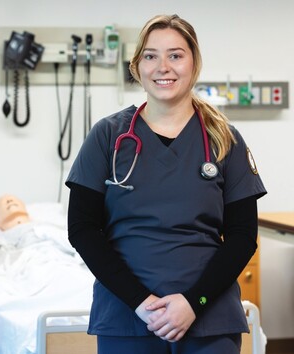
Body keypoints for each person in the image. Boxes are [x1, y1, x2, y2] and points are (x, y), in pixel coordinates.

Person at [65, 14, 267, 354]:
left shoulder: (223, 139)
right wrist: (140, 301)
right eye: (150, 55)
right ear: (137, 66)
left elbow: (243, 235)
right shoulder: (108, 136)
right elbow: (82, 229)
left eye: (175, 55)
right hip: (127, 316)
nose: (163, 66)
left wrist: (194, 302)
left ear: (194, 63)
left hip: (209, 318)